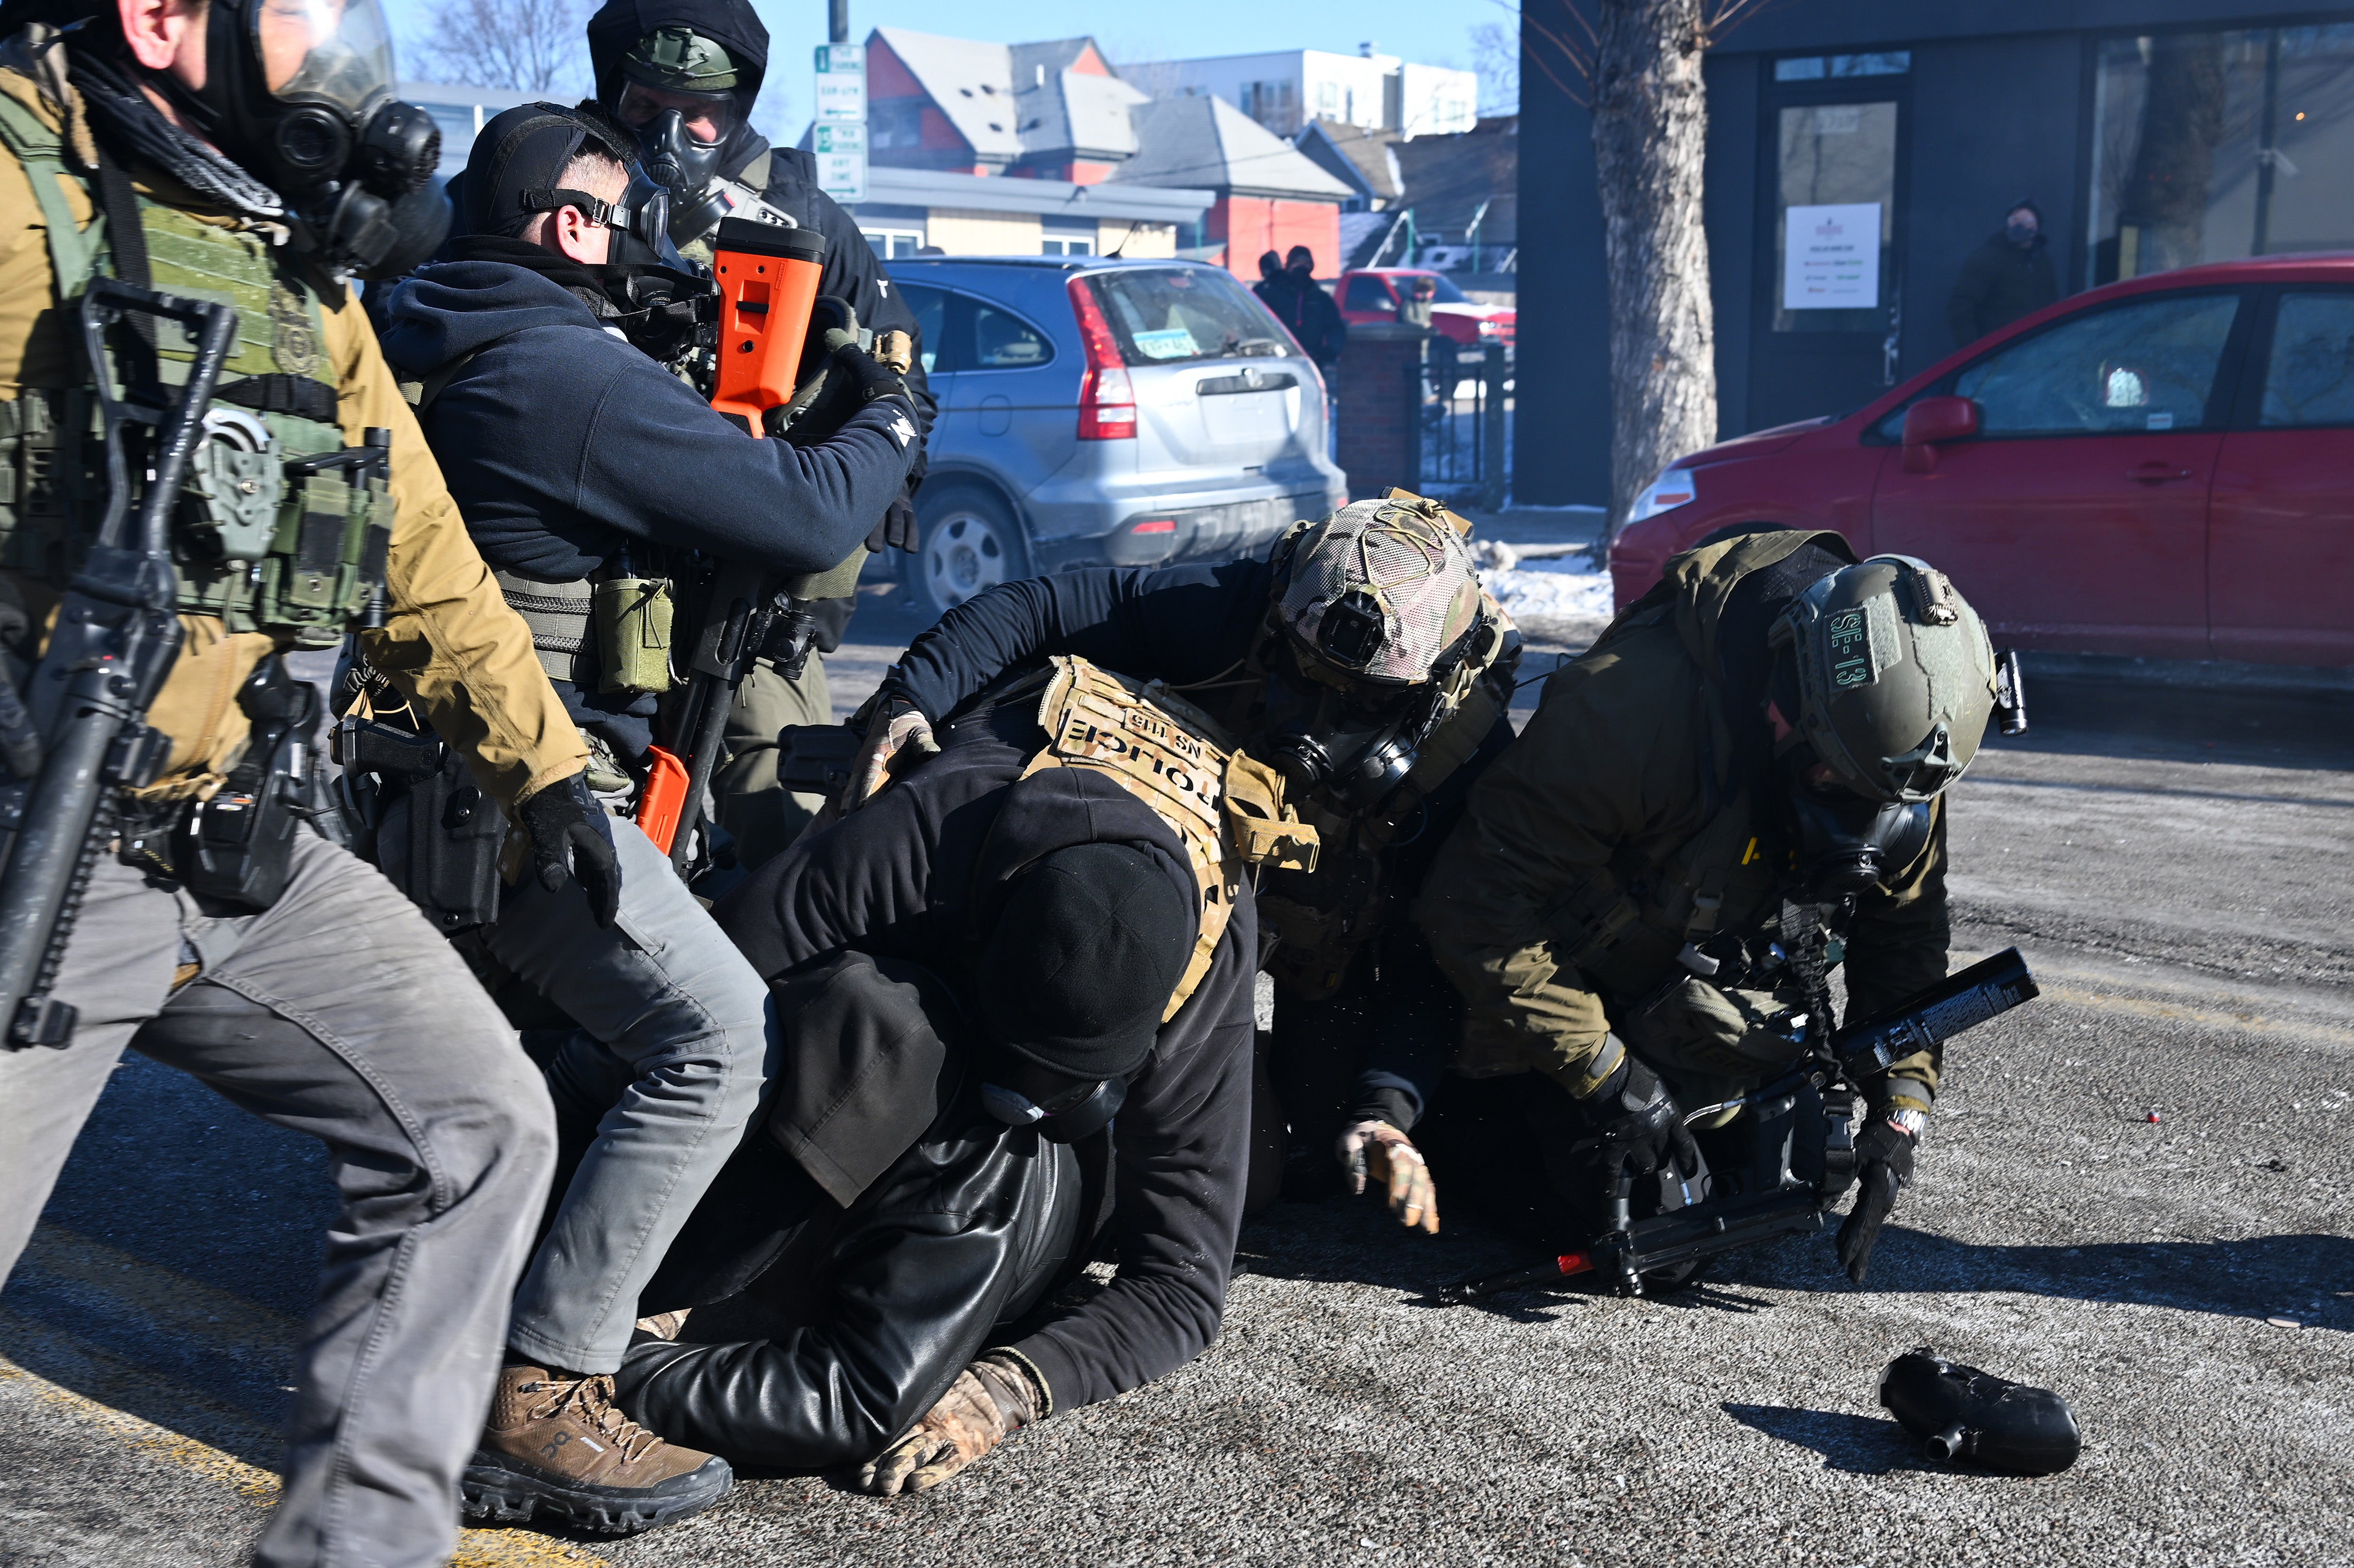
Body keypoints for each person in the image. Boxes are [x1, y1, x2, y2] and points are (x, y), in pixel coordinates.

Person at [0, 2, 625, 1562]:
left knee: (476, 1121)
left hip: (230, 835)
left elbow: (410, 528)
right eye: (299, 7)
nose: (339, 39)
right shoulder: (23, 196)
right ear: (160, 17)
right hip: (36, 840)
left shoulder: (277, 248)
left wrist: (543, 770)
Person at [367, 100, 922, 1533]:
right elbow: (802, 514)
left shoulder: (425, 321)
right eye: (628, 218)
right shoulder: (563, 374)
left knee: (524, 1063)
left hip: (410, 791)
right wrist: (892, 416)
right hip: (521, 803)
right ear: (568, 227)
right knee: (713, 1033)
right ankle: (543, 1392)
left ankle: (452, 1319)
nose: (653, 248)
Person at [628, 648, 1282, 1491]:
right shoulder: (928, 834)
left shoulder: (1209, 953)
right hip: (904, 995)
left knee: (1252, 1170)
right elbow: (685, 1031)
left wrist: (1011, 1387)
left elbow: (1182, 1285)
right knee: (861, 1015)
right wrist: (664, 1247)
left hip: (1058, 1171)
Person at [843, 493, 1519, 1239]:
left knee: (1288, 1174)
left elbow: (1437, 958)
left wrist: (1386, 1111)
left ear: (1429, 697)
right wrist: (911, 699)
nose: (1313, 722)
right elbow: (1031, 609)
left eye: (1359, 702)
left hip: (1316, 951)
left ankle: (1238, 1070)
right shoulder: (1234, 610)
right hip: (1162, 888)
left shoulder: (1461, 753)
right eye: (1300, 673)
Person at [1414, 529, 2001, 1283]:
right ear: (1786, 688)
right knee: (1648, 1238)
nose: (1859, 810)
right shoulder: (1630, 710)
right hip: (1561, 1000)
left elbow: (1904, 932)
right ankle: (1447, 1112)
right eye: (1829, 779)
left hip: (1704, 1008)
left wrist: (1900, 1106)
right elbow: (1475, 901)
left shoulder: (1897, 740)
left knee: (1758, 1199)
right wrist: (1606, 1075)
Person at [585, 0, 936, 865]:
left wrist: (848, 522)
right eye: (643, 104)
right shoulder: (569, 182)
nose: (669, 130)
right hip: (590, 574)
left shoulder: (800, 214)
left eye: (695, 107)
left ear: (738, 103)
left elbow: (899, 389)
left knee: (783, 822)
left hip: (757, 591)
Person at [1946, 200, 2059, 348]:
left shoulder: (2044, 263)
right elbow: (1960, 306)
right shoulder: (1987, 258)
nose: (2019, 225)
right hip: (1997, 355)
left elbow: (2052, 309)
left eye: (2027, 221)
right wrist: (1972, 351)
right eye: (2014, 220)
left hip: (2034, 353)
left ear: (2036, 227)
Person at [1255, 244, 1345, 373]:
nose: (1302, 268)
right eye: (1297, 263)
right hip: (1278, 360)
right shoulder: (1272, 293)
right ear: (1289, 266)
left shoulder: (1320, 298)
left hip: (1312, 361)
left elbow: (1335, 328)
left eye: (1306, 264)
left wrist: (1330, 352)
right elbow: (1256, 321)